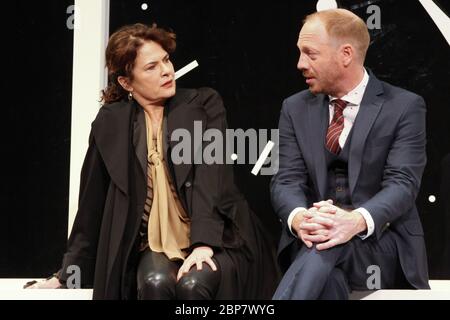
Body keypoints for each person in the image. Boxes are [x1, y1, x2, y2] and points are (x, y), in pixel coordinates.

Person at [25, 23, 279, 299]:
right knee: (155, 283)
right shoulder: (110, 122)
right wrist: (68, 274)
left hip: (218, 237)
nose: (166, 71)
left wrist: (203, 244)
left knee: (193, 286)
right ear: (126, 82)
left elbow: (211, 177)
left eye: (166, 60)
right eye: (151, 67)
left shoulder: (204, 103)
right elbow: (91, 203)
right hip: (154, 244)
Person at [270, 9, 429, 299]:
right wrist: (301, 218)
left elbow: (403, 184)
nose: (300, 64)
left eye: (310, 54)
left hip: (380, 241)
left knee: (326, 244)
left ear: (346, 54)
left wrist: (353, 221)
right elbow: (286, 180)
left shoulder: (404, 106)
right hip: (316, 239)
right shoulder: (294, 108)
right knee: (328, 270)